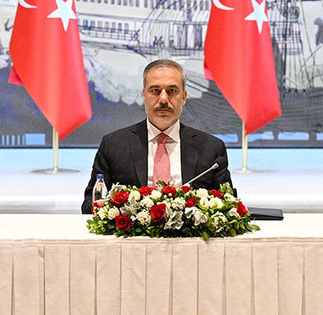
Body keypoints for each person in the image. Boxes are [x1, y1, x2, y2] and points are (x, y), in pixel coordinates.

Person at [82, 59, 234, 213]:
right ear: (144, 95)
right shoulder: (114, 145)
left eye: (172, 91)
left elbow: (229, 206)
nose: (163, 99)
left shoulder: (211, 148)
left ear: (184, 97)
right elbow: (91, 204)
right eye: (155, 90)